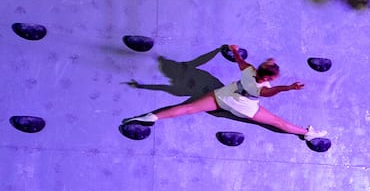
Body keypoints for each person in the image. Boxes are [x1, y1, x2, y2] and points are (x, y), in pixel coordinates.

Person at [123, 44, 324, 141]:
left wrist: (234, 50)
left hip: (223, 96)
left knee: (187, 108)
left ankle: (152, 117)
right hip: (243, 108)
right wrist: (289, 87)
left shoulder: (248, 70)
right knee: (278, 122)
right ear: (269, 78)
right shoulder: (263, 89)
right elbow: (275, 92)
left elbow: (239, 60)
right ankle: (308, 133)